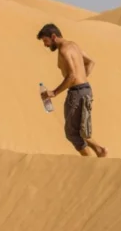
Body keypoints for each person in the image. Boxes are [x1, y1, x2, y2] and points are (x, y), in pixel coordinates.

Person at [37, 23, 108, 157]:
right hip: (85, 89)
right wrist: (83, 79)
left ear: (53, 36)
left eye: (46, 41)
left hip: (76, 92)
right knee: (80, 130)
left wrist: (54, 92)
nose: (45, 45)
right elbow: (90, 62)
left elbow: (72, 76)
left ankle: (93, 157)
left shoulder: (64, 50)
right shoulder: (74, 45)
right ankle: (98, 152)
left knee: (72, 132)